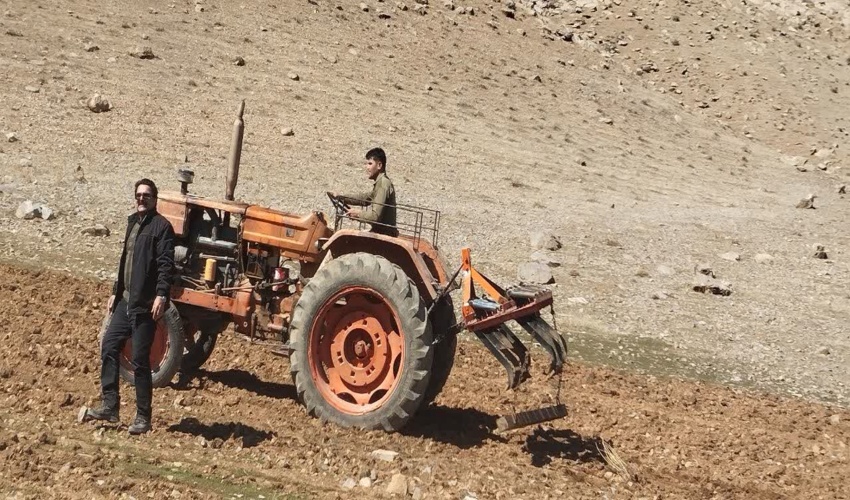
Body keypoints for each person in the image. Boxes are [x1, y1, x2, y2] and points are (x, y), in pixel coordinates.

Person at [83, 178, 175, 435]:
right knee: (109, 345)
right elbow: (125, 260)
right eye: (138, 195)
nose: (141, 198)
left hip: (145, 305)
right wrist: (115, 291)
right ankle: (110, 406)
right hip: (125, 301)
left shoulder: (162, 227)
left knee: (139, 361)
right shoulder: (132, 223)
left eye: (146, 195)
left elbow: (166, 265)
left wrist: (161, 296)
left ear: (154, 199)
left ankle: (143, 418)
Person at [334, 147, 398, 237]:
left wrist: (357, 214)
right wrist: (342, 197)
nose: (367, 167)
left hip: (383, 232)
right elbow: (364, 199)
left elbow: (375, 216)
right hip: (379, 230)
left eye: (370, 163)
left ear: (379, 165)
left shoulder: (383, 184)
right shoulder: (380, 183)